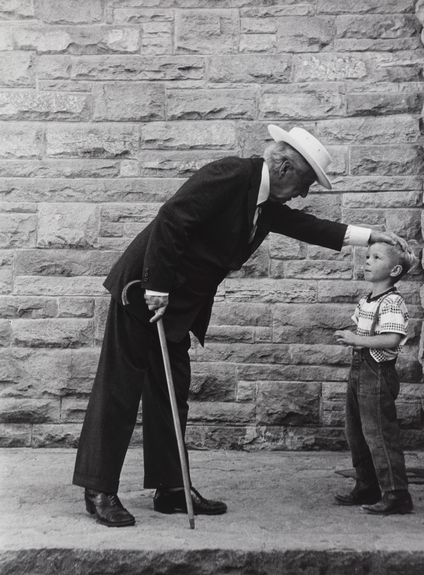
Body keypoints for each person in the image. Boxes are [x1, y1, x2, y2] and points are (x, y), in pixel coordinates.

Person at [73, 124, 407, 527]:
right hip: (142, 290)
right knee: (119, 390)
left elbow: (307, 226)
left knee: (170, 395)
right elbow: (171, 219)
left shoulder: (263, 202)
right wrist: (157, 287)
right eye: (304, 182)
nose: (304, 193)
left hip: (178, 306)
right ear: (283, 167)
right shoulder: (231, 175)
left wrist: (372, 235)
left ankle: (172, 487)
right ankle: (99, 490)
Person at [334, 241, 416, 515]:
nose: (367, 261)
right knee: (356, 432)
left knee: (380, 434)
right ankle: (367, 485)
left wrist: (356, 338)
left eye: (376, 257)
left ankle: (396, 494)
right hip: (359, 372)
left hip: (377, 374)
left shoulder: (392, 301)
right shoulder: (368, 299)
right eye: (368, 256)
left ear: (393, 269)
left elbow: (392, 338)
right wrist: (354, 338)